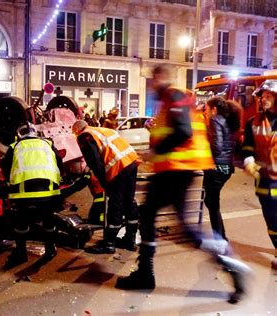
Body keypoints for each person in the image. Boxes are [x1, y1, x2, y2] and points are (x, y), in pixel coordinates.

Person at [115, 65, 251, 304]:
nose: (151, 85)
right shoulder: (169, 101)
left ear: (159, 78)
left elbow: (183, 132)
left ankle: (147, 274)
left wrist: (155, 150)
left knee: (157, 218)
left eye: (152, 79)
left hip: (176, 171)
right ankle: (229, 265)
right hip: (175, 171)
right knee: (165, 222)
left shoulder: (173, 95)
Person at [72, 120, 140, 253]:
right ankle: (130, 239)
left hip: (118, 168)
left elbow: (96, 164)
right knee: (129, 201)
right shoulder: (101, 130)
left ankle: (109, 244)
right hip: (131, 162)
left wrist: (105, 184)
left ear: (76, 131)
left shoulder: (85, 137)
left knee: (115, 203)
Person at [1, 121, 63, 265]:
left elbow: (5, 167)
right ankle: (50, 250)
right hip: (48, 193)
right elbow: (59, 161)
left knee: (21, 224)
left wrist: (8, 186)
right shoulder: (47, 144)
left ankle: (21, 253)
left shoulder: (15, 146)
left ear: (19, 134)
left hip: (23, 195)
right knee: (49, 222)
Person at [241, 79, 277, 270]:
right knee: (271, 219)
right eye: (262, 96)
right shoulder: (252, 122)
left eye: (268, 96)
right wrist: (248, 160)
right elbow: (247, 146)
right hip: (264, 180)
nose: (263, 99)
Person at [203, 97, 242, 241]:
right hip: (226, 168)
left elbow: (217, 147)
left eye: (206, 109)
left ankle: (220, 240)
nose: (205, 112)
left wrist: (205, 155)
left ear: (214, 109)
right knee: (212, 202)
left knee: (212, 204)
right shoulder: (230, 121)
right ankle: (220, 237)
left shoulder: (216, 120)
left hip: (216, 168)